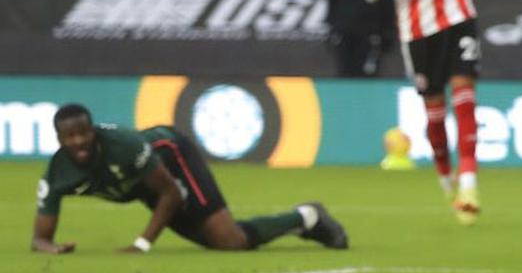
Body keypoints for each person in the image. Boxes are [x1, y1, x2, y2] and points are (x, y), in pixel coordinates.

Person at [362, 0, 493, 226]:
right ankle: (446, 178)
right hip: (418, 30)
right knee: (435, 113)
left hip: (459, 15)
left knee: (465, 94)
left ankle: (469, 184)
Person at [32, 103, 348, 254]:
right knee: (225, 243)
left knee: (230, 241)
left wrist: (142, 244)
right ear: (58, 139)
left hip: (170, 158)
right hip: (145, 185)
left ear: (94, 130)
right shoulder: (59, 173)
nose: (78, 142)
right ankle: (306, 220)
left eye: (84, 133)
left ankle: (307, 216)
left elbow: (170, 193)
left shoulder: (124, 146)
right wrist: (52, 248)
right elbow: (40, 238)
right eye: (69, 137)